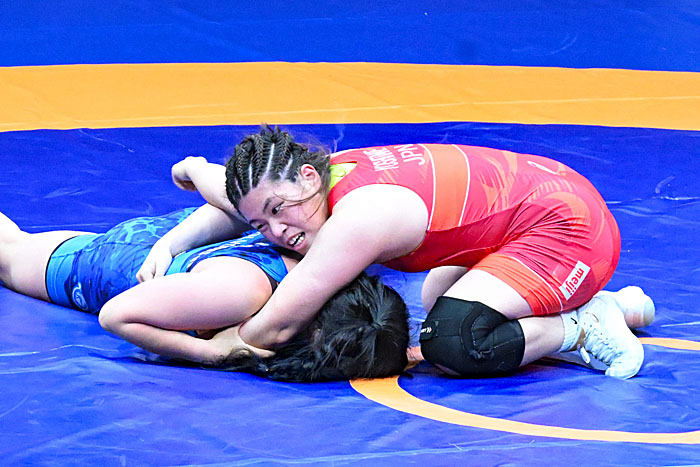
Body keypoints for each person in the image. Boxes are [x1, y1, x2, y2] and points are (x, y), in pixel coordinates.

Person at [139, 127, 655, 379]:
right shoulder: (310, 178)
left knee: (455, 341)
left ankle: (581, 323)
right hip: (535, 205)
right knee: (436, 296)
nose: (278, 233)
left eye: (280, 212)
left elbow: (271, 328)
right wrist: (173, 239)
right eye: (262, 224)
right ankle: (602, 303)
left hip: (568, 228)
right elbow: (240, 197)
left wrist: (205, 344)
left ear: (309, 177)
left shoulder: (359, 218)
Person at [0, 205, 410, 382]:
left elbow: (236, 199)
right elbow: (116, 315)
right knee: (9, 255)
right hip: (114, 268)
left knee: (16, 241)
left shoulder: (330, 258)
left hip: (185, 242)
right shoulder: (241, 294)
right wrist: (210, 353)